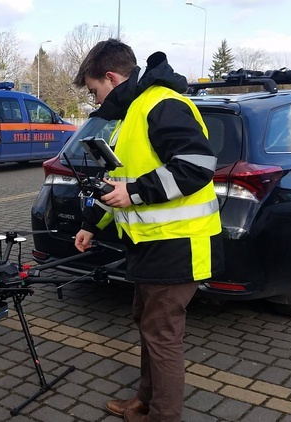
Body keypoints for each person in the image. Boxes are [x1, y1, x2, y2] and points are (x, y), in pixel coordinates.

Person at [72, 39, 223, 422]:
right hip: (150, 246)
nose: (96, 99)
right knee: (149, 326)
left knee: (162, 336)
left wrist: (136, 192)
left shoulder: (161, 103)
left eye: (95, 90)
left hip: (177, 246)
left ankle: (163, 415)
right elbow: (120, 181)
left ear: (111, 76)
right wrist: (92, 223)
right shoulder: (134, 112)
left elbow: (197, 165)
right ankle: (145, 401)